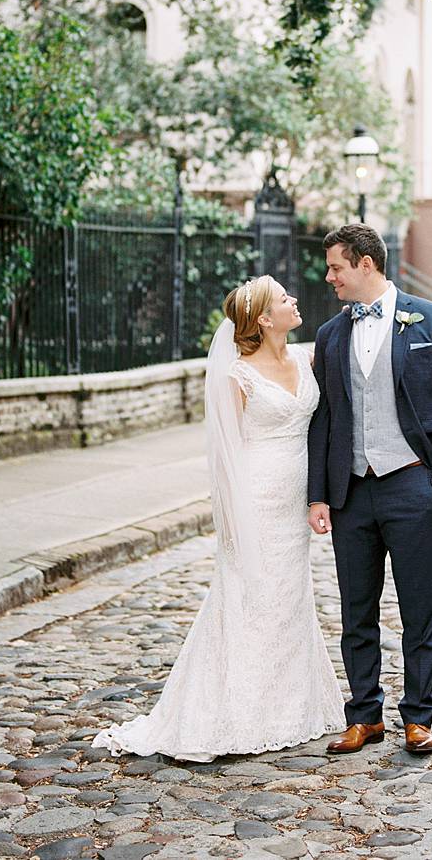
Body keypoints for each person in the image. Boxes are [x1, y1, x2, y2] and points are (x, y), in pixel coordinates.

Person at [93, 275, 344, 762]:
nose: (295, 301)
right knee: (248, 596)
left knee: (289, 596)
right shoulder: (239, 376)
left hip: (296, 498)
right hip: (255, 495)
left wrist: (321, 495)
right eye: (284, 299)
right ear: (265, 319)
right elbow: (227, 454)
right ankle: (235, 713)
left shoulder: (305, 358)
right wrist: (232, 520)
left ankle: (291, 706)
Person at [308, 224, 432, 755]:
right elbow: (324, 418)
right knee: (357, 609)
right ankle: (364, 715)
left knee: (418, 607)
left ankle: (418, 717)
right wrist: (318, 494)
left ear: (365, 264)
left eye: (336, 266)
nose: (329, 276)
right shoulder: (331, 335)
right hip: (351, 491)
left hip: (411, 486)